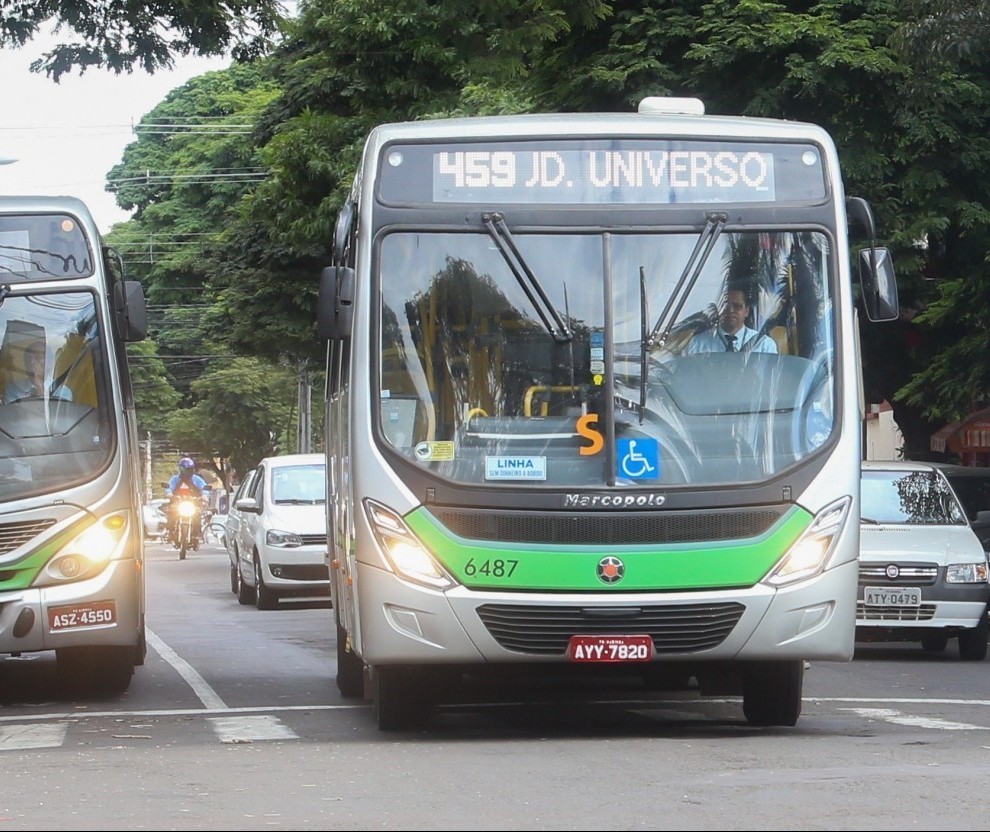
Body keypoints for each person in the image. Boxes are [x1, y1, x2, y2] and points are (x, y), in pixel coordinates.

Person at [682, 286, 778, 355]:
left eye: (737, 306)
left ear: (747, 311)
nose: (730, 310)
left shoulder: (764, 345)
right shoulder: (696, 344)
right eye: (725, 306)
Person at [3, 339, 74, 403]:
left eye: (37, 358)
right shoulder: (13, 388)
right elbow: (13, 414)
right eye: (28, 358)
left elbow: (56, 415)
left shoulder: (62, 391)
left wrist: (39, 386)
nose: (31, 362)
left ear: (49, 363)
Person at [165, 457, 208, 546]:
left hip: (193, 503)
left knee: (197, 514)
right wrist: (170, 494)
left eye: (190, 469)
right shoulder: (175, 479)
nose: (189, 471)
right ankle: (170, 532)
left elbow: (204, 488)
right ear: (181, 469)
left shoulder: (197, 479)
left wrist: (204, 496)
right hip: (178, 503)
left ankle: (197, 534)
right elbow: (169, 488)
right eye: (187, 469)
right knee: (172, 513)